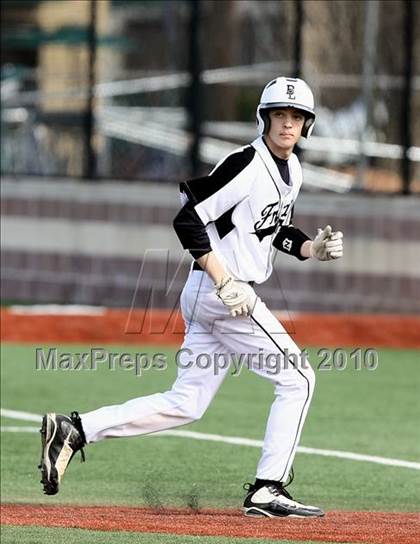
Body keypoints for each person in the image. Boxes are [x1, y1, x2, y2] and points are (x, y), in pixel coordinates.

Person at [39, 77, 343, 518]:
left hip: (214, 295)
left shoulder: (291, 170)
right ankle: (267, 489)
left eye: (297, 117)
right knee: (299, 379)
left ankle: (76, 429)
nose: (288, 124)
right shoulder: (246, 164)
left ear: (307, 125)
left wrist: (311, 248)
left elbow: (271, 229)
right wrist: (224, 279)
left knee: (186, 403)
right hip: (224, 293)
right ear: (265, 118)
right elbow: (187, 220)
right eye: (280, 114)